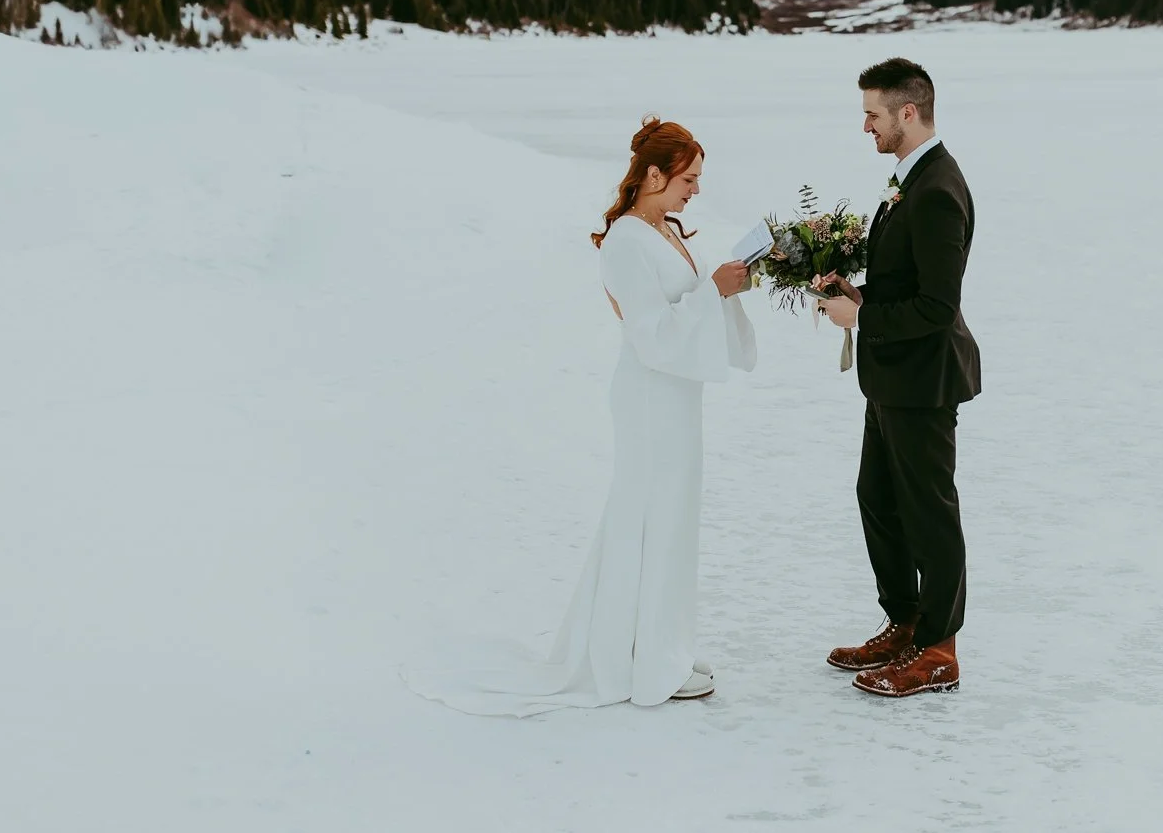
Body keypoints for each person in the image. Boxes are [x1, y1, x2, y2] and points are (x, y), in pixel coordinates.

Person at [419, 116, 756, 715]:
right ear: (654, 174)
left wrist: (725, 287)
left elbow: (684, 307)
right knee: (649, 519)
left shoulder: (666, 231)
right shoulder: (627, 240)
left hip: (675, 395)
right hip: (651, 396)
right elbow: (650, 332)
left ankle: (660, 645)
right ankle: (644, 657)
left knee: (670, 519)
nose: (696, 191)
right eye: (689, 178)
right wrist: (717, 292)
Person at [816, 57, 979, 699]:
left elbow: (938, 307)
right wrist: (855, 290)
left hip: (924, 382)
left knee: (928, 512)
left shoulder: (938, 191)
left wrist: (864, 315)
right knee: (878, 499)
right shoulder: (908, 181)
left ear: (907, 112)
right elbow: (905, 282)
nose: (866, 126)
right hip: (891, 379)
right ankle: (904, 619)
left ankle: (939, 648)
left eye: (873, 114)